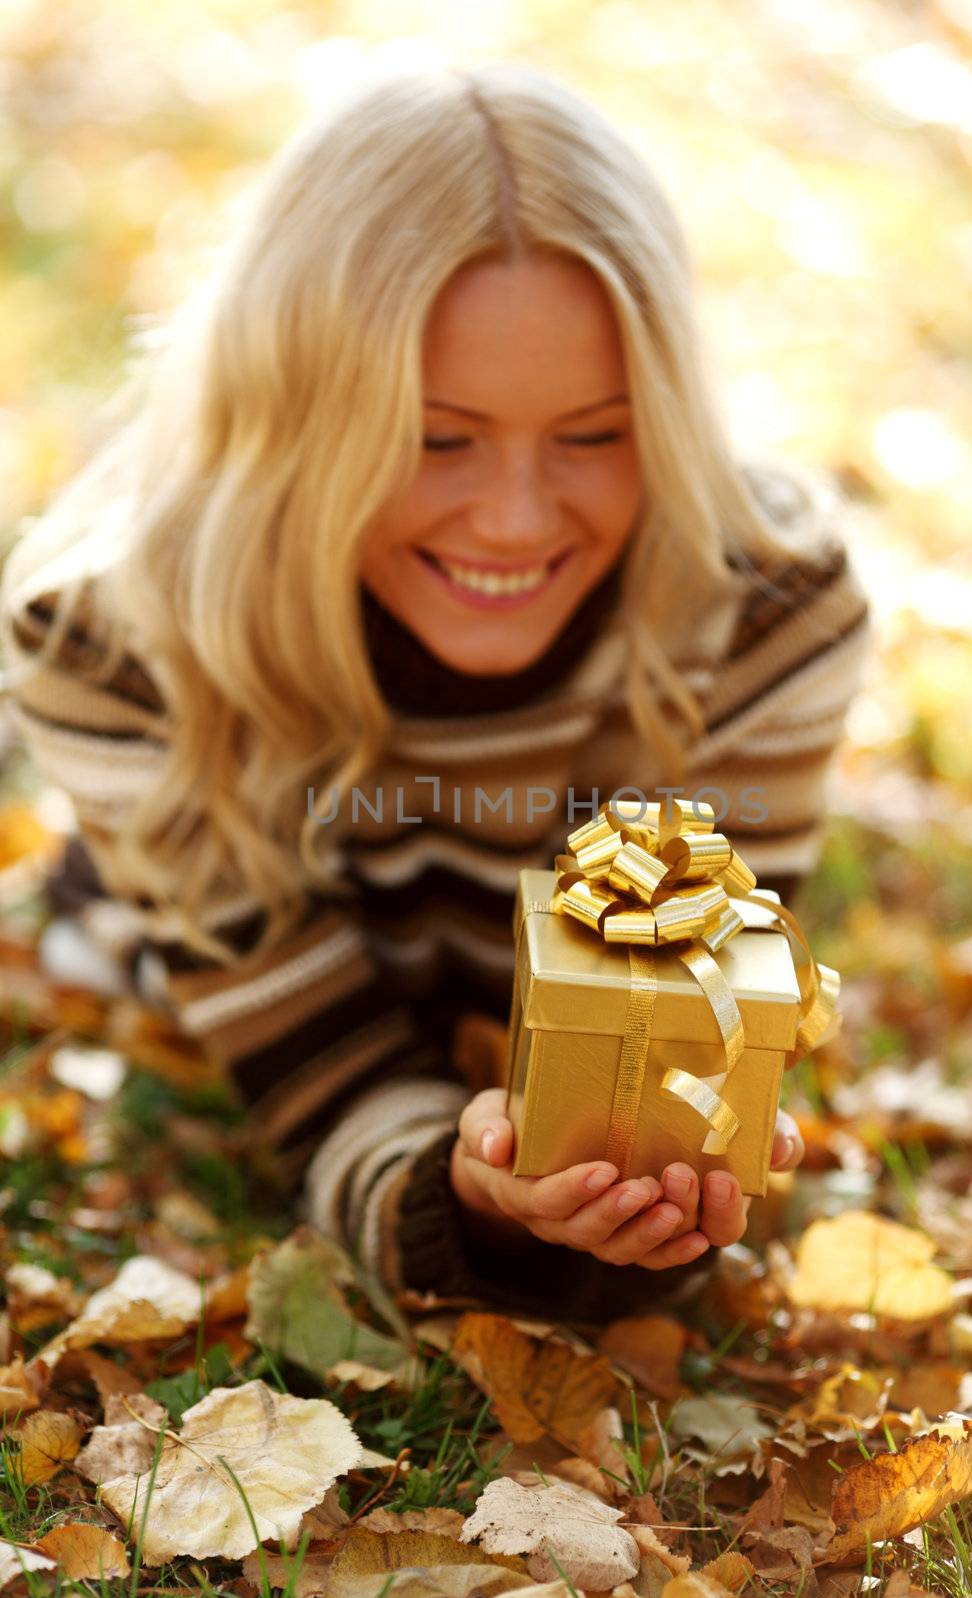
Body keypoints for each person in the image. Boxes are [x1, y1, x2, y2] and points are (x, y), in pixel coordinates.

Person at [0, 59, 872, 1326]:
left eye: (592, 432)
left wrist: (646, 1183)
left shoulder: (767, 611)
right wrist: (461, 1207)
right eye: (434, 434)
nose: (514, 517)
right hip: (239, 938)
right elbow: (322, 1074)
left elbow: (691, 1042)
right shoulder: (113, 647)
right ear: (296, 410)